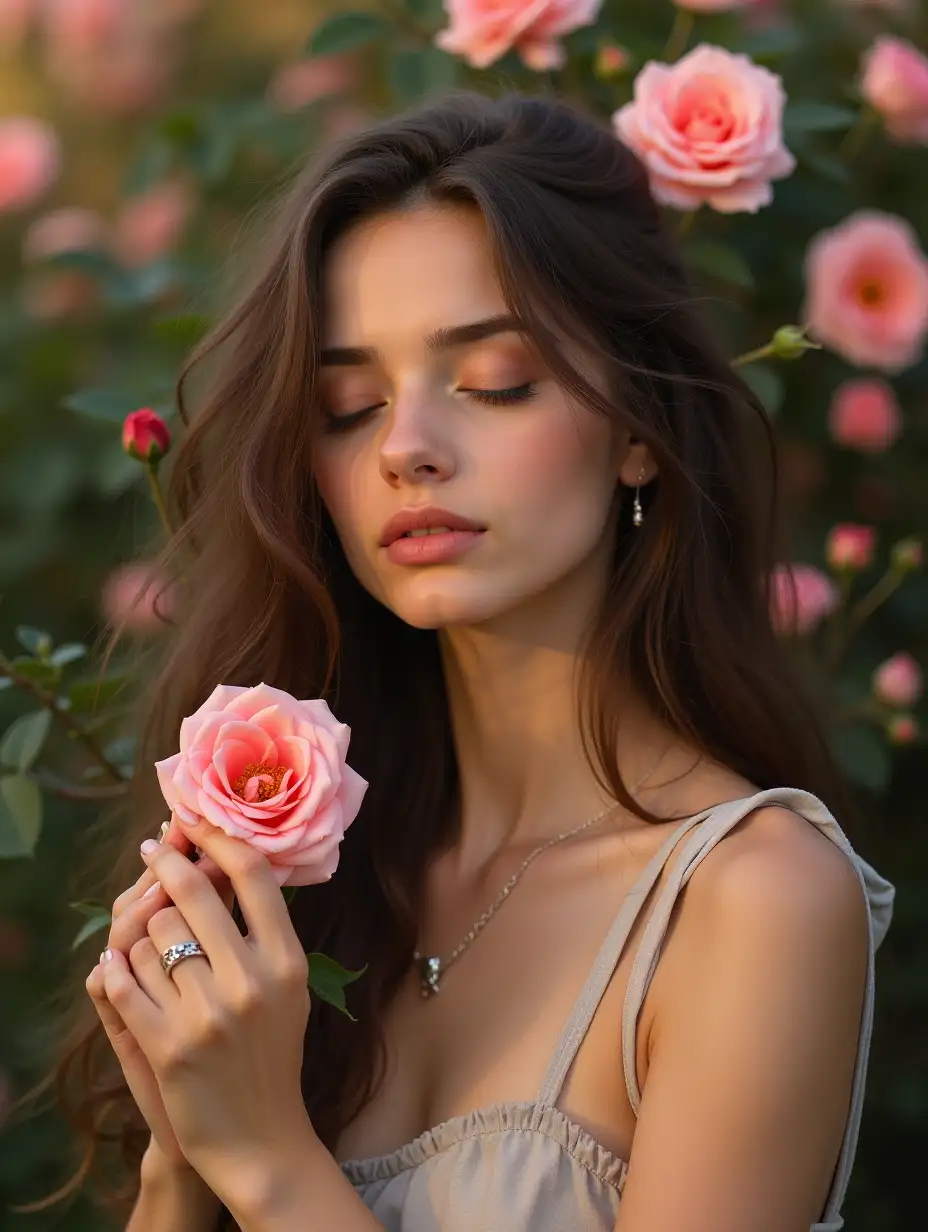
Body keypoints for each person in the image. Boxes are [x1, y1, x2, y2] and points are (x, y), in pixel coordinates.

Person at [43, 91, 895, 1231]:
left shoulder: (751, 899)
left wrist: (260, 1153)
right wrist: (179, 1159)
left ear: (637, 427)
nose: (405, 447)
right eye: (347, 405)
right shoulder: (315, 890)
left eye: (493, 380)